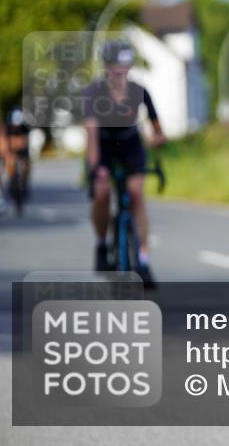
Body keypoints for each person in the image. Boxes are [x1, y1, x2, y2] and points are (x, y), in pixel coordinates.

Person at [82, 40, 166, 288]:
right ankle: (100, 245)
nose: (121, 71)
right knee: (102, 193)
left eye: (125, 66)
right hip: (104, 144)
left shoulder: (139, 91)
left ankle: (143, 259)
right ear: (107, 67)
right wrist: (96, 167)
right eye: (116, 66)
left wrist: (158, 138)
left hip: (131, 144)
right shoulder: (94, 92)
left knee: (136, 195)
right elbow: (91, 132)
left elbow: (157, 127)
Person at [3, 106, 33, 211]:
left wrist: (19, 145)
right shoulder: (8, 127)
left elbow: (25, 143)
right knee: (10, 164)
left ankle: (24, 183)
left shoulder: (25, 127)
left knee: (26, 166)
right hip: (11, 152)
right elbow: (5, 144)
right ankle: (11, 182)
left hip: (23, 152)